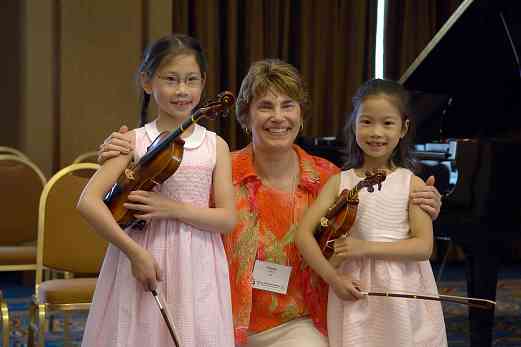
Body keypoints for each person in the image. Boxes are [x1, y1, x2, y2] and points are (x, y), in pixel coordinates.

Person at [98, 60, 442, 347]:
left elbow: (380, 218)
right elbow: (149, 204)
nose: (278, 117)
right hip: (218, 317)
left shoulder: (329, 178)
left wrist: (425, 202)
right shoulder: (217, 170)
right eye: (265, 106)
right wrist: (120, 153)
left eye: (287, 105)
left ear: (301, 114)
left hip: (300, 322)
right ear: (246, 117)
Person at [76, 34, 236, 347]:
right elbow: (88, 202)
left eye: (191, 80)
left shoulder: (215, 145)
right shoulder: (132, 141)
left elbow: (228, 219)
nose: (182, 91)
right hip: (145, 253)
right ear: (148, 82)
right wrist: (134, 252)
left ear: (203, 83)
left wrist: (171, 208)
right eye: (171, 79)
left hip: (199, 262)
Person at [295, 78, 447, 347]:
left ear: (404, 128)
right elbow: (303, 235)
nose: (376, 132)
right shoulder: (339, 182)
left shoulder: (412, 183)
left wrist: (363, 247)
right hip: (353, 287)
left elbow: (423, 247)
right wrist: (332, 278)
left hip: (402, 289)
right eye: (366, 121)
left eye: (387, 123)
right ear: (353, 125)